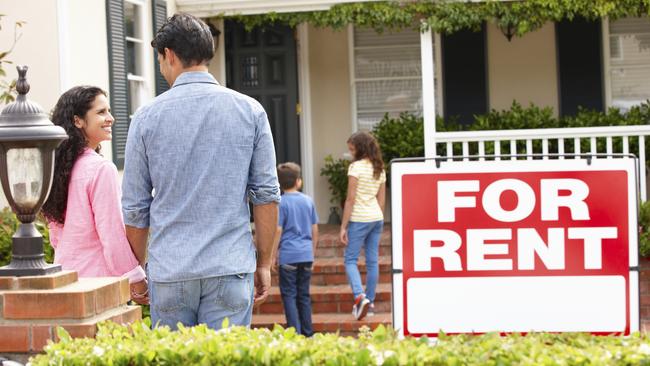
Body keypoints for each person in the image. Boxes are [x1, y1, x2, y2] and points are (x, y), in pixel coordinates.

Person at [121, 13, 280, 330]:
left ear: (169, 55)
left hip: (171, 269)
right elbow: (266, 196)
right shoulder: (250, 111)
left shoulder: (145, 118)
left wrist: (136, 270)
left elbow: (136, 208)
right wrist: (264, 262)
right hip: (230, 264)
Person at [42, 86, 148, 305]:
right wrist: (136, 279)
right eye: (101, 112)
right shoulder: (101, 169)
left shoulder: (55, 168)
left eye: (108, 111)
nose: (111, 118)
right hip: (99, 284)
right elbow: (112, 235)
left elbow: (55, 236)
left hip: (65, 279)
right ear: (78, 121)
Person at [339, 131, 386, 321]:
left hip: (359, 218)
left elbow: (350, 199)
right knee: (372, 261)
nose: (350, 152)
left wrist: (343, 226)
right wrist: (377, 216)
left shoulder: (356, 168)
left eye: (352, 149)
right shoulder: (379, 168)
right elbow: (382, 201)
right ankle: (371, 302)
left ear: (360, 148)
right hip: (376, 217)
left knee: (350, 260)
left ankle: (359, 297)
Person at [273, 163, 318, 336]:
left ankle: (295, 334)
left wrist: (271, 256)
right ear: (298, 181)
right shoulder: (308, 201)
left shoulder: (281, 203)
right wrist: (312, 253)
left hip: (288, 256)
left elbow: (278, 230)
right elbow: (315, 229)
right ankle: (308, 333)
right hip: (306, 254)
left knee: (289, 296)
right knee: (304, 296)